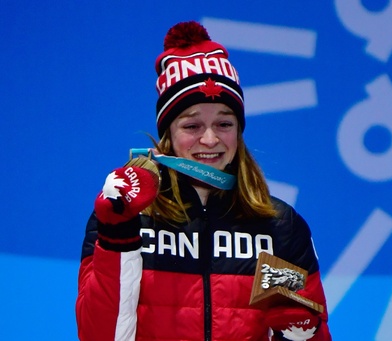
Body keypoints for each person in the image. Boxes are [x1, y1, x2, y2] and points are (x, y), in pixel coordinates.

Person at [76, 21, 332, 341]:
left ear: (238, 131)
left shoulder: (278, 226)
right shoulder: (126, 216)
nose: (210, 139)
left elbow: (308, 331)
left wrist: (300, 337)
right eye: (192, 125)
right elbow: (97, 336)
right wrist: (117, 232)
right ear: (168, 131)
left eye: (224, 123)